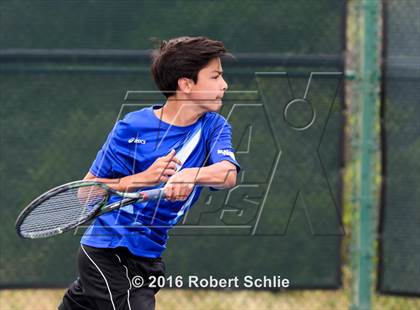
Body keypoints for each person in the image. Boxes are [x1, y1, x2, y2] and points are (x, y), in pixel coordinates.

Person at [58, 36, 240, 310]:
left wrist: (190, 174)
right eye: (214, 77)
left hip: (149, 257)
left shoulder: (214, 126)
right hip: (108, 249)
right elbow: (86, 193)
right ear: (186, 84)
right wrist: (141, 180)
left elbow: (227, 174)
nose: (224, 85)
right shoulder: (131, 128)